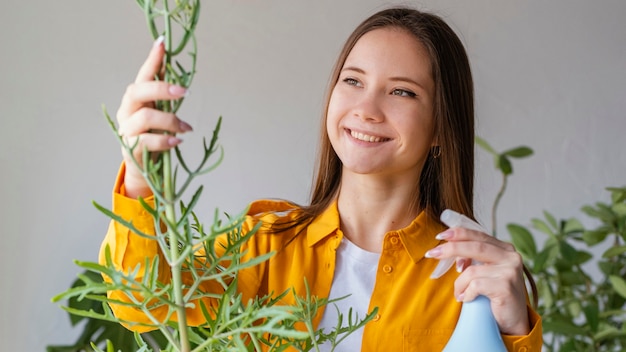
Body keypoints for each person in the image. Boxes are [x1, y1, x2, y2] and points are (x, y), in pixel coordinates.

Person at [102, 6, 542, 351]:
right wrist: (140, 173)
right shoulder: (262, 247)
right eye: (353, 81)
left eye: (402, 91)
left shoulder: (469, 278)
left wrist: (512, 328)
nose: (366, 109)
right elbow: (142, 303)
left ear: (441, 128)